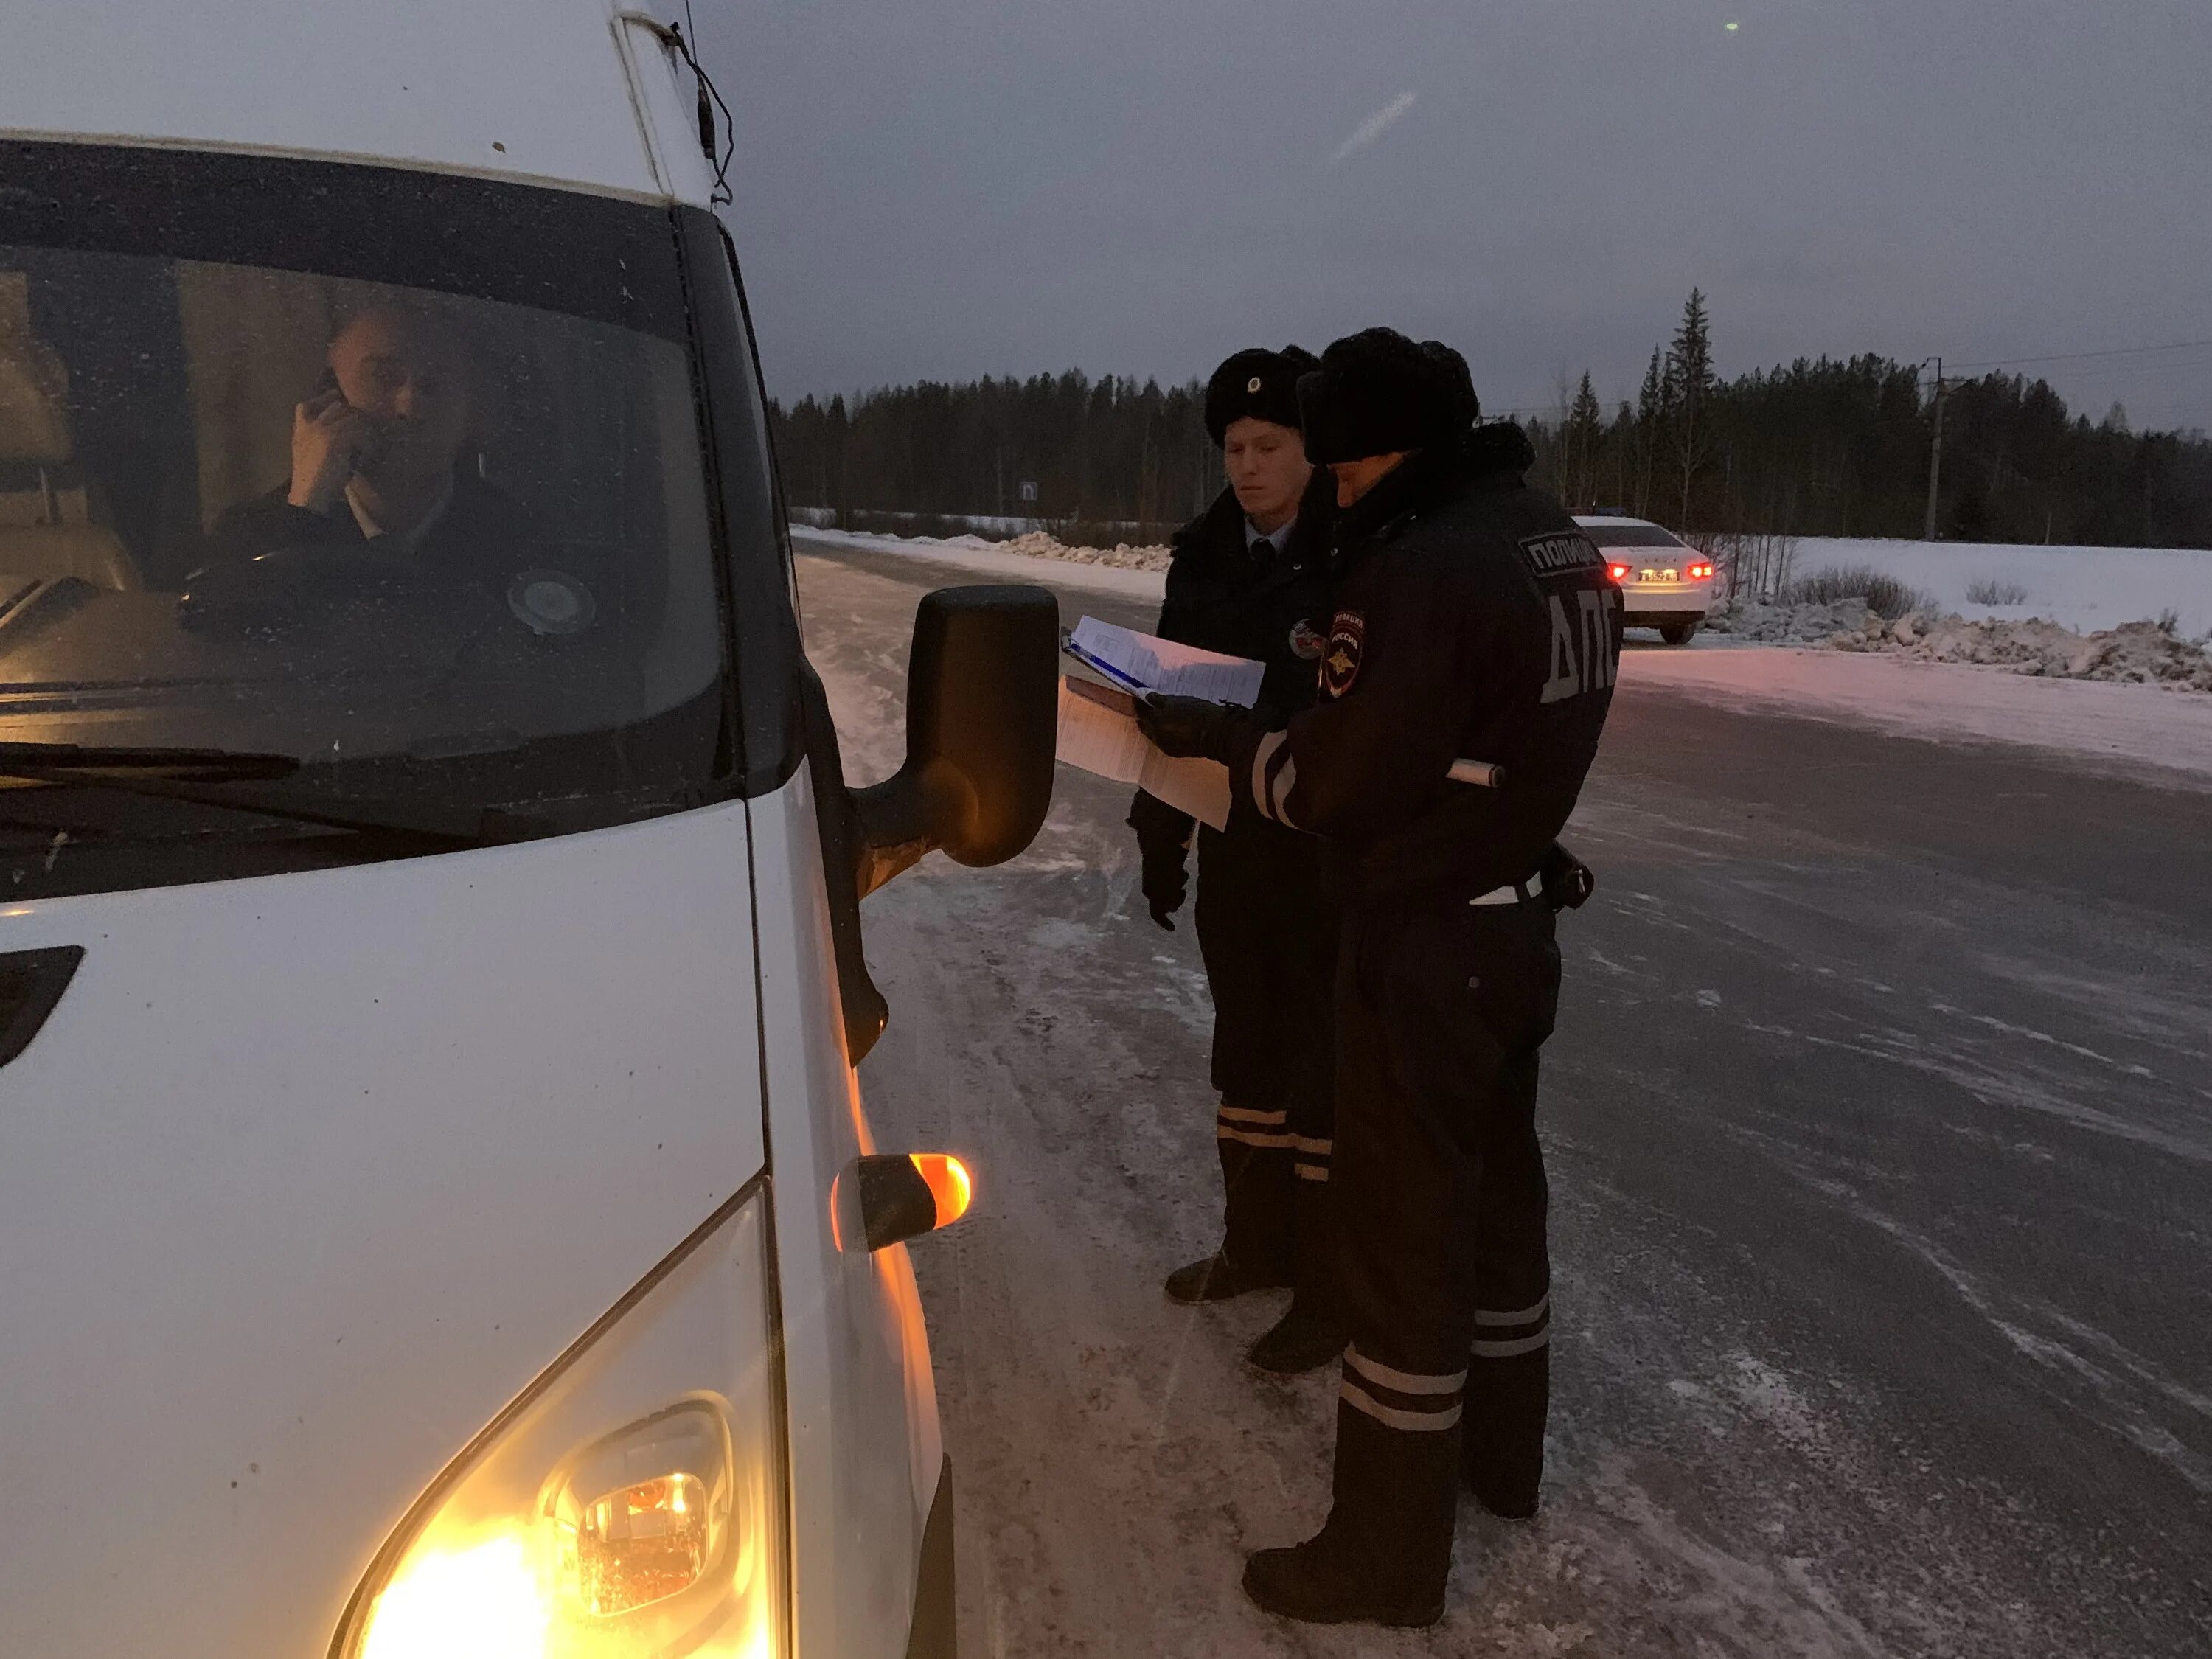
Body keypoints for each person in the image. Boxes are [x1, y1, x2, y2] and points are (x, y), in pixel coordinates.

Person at [1137, 327, 1621, 1627]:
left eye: (1340, 467)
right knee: (1501, 1214)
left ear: (1387, 451)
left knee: (1403, 1245)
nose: (1331, 489)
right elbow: (1500, 738)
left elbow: (1341, 778)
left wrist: (1231, 749)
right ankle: (1500, 1462)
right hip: (1517, 928)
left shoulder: (1416, 575)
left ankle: (1385, 1553)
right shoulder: (1553, 540)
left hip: (1425, 945)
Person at [1135, 345, 1345, 1374]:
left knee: (1321, 1068)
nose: (1250, 465)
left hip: (1322, 852)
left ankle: (1327, 1284)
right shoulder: (1204, 555)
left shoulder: (1353, 556)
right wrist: (1158, 831)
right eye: (1235, 446)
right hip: (1232, 844)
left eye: (1270, 445)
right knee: (1248, 1058)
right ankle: (1255, 1245)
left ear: (1311, 450)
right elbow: (1168, 702)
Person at [200, 303, 539, 579]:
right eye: (383, 377)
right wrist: (305, 510)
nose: (410, 406)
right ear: (329, 398)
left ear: (471, 413)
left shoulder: (519, 540)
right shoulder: (248, 537)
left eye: (434, 385)